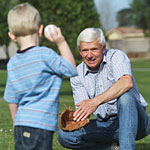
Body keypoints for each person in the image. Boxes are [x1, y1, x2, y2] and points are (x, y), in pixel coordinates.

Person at [58, 27, 150, 150]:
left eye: (94, 49)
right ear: (80, 52)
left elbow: (126, 82)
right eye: (85, 50)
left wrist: (95, 102)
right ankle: (112, 147)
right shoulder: (77, 74)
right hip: (107, 126)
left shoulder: (116, 56)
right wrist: (77, 118)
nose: (89, 55)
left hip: (138, 123)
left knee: (125, 96)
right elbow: (84, 110)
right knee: (65, 136)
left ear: (103, 48)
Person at [4, 3, 77, 150]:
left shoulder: (12, 63)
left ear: (11, 36)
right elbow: (71, 70)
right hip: (41, 124)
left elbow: (11, 98)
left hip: (20, 124)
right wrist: (61, 42)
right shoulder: (45, 54)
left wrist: (16, 121)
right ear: (40, 30)